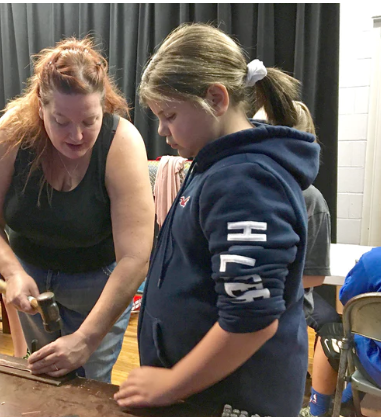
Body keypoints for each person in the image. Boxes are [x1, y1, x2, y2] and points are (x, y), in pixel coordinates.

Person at [114, 23, 320, 416]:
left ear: (216, 98)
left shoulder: (246, 181)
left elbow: (252, 320)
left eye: (170, 115)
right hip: (204, 392)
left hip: (236, 399)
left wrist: (172, 382)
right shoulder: (214, 163)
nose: (162, 131)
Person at [0, 37, 155, 383]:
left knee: (88, 385)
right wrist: (12, 273)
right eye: (60, 121)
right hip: (30, 277)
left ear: (104, 106)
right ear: (40, 108)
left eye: (89, 121)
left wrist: (86, 340)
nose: (76, 135)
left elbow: (135, 258)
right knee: (35, 379)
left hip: (99, 285)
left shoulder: (121, 143)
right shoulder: (12, 135)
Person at [300, 189, 381, 417]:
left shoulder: (375, 261)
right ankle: (345, 400)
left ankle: (317, 410)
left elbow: (348, 299)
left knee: (331, 334)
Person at [254, 103, 341, 340]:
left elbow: (314, 275)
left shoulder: (311, 200)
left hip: (283, 315)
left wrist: (259, 289)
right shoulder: (241, 185)